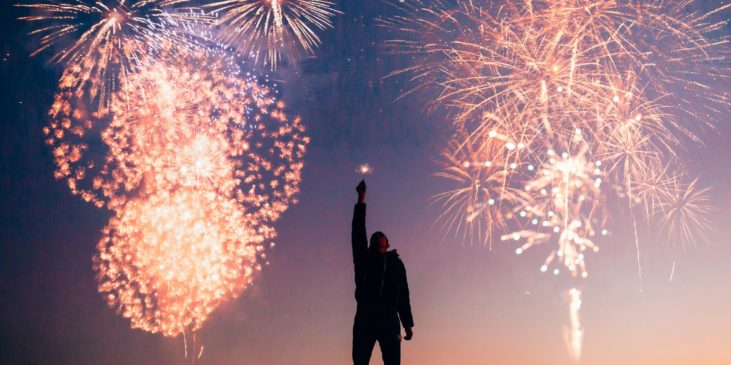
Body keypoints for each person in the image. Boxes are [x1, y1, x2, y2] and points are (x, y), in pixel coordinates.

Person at [351, 179, 414, 365]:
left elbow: (403, 296)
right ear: (370, 244)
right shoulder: (364, 259)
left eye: (382, 238)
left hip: (389, 317)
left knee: (393, 362)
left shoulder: (396, 264)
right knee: (360, 361)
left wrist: (407, 323)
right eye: (374, 238)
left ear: (387, 244)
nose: (377, 237)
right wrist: (361, 199)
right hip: (366, 314)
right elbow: (357, 232)